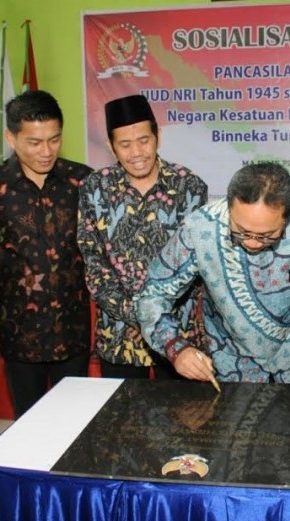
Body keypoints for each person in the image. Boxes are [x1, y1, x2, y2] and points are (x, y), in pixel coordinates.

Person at [136, 161, 290, 384]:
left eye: (267, 235)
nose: (253, 243)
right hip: (229, 354)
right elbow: (152, 295)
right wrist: (176, 348)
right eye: (241, 231)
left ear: (288, 216)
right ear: (229, 206)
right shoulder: (199, 229)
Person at [0, 90, 92, 418]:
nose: (46, 151)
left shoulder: (82, 180)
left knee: (75, 425)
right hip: (20, 333)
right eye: (34, 142)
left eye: (54, 139)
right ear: (11, 137)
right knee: (29, 426)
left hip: (73, 329)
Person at [77, 94, 208, 379]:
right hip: (119, 336)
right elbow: (94, 263)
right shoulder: (94, 189)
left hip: (178, 336)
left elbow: (197, 265)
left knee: (183, 420)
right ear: (112, 147)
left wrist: (162, 322)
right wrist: (141, 317)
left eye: (144, 140)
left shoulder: (190, 186)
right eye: (125, 144)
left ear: (157, 136)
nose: (137, 152)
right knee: (122, 420)